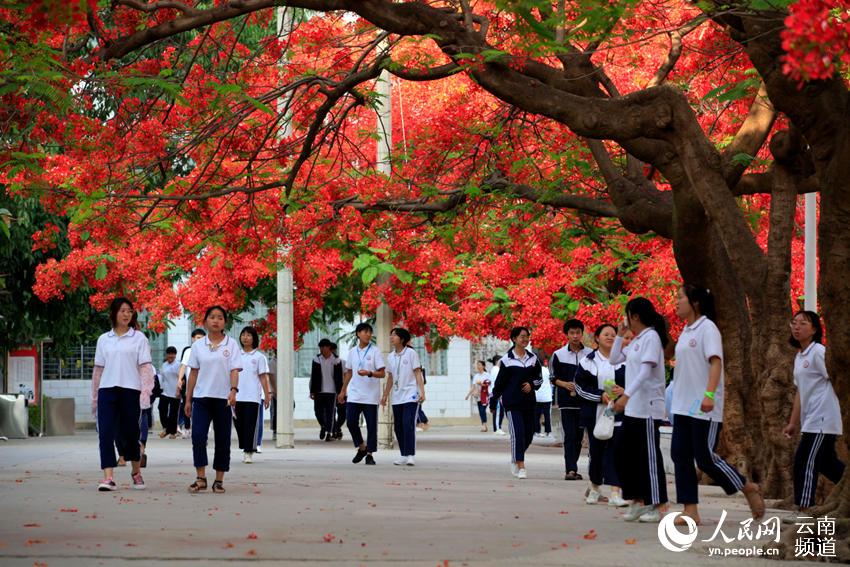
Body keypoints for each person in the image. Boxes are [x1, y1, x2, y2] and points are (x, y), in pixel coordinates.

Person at [671, 285, 764, 524]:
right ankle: (690, 510)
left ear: (696, 303)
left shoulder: (708, 328)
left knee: (704, 458)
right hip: (682, 406)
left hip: (703, 406)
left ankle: (746, 486)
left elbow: (715, 362)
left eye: (681, 297)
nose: (676, 301)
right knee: (680, 455)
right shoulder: (686, 331)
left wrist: (710, 394)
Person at [610, 298, 668, 522]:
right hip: (634, 409)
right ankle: (636, 500)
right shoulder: (636, 341)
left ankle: (658, 504)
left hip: (647, 408)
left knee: (649, 457)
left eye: (627, 316)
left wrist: (625, 396)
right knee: (623, 453)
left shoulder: (651, 338)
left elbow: (645, 373)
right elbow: (615, 359)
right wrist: (619, 334)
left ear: (634, 316)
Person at [784, 310, 844, 514]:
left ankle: (805, 507)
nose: (797, 327)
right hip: (810, 419)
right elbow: (801, 390)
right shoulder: (800, 356)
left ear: (815, 329)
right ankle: (846, 491)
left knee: (804, 460)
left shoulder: (818, 351)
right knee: (828, 464)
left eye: (803, 323)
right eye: (794, 322)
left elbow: (836, 377)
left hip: (823, 418)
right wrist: (793, 422)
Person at [91, 297, 154, 491]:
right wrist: (94, 397)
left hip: (130, 390)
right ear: (114, 313)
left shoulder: (139, 338)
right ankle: (108, 477)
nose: (126, 314)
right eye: (122, 310)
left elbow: (145, 368)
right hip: (107, 390)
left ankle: (136, 472)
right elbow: (98, 370)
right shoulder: (104, 339)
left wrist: (146, 392)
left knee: (130, 433)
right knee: (106, 433)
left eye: (129, 311)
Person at [185, 306, 242, 493]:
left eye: (219, 317)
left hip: (223, 399)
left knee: (223, 439)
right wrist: (188, 399)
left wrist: (233, 391)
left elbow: (234, 370)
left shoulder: (231, 344)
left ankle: (219, 480)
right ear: (205, 321)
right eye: (212, 317)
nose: (215, 320)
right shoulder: (197, 346)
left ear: (225, 322)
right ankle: (200, 477)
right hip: (201, 398)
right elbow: (193, 373)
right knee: (198, 436)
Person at [575, 324, 628, 507]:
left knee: (617, 451)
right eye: (606, 334)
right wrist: (600, 396)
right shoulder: (588, 361)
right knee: (596, 453)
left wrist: (624, 391)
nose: (610, 337)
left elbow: (636, 383)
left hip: (619, 412)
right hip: (595, 413)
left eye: (614, 334)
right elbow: (580, 387)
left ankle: (615, 491)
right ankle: (595, 487)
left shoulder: (625, 360)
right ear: (597, 338)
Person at [492, 327, 543, 479]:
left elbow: (539, 379)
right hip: (512, 403)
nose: (525, 339)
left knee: (528, 436)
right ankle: (521, 465)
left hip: (529, 403)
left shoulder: (533, 359)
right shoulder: (506, 360)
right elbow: (499, 384)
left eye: (527, 336)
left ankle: (516, 455)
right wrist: (493, 402)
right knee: (518, 434)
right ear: (514, 339)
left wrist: (531, 385)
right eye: (522, 337)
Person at [550, 319, 593, 480]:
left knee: (579, 437)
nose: (575, 336)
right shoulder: (558, 355)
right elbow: (553, 378)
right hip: (566, 403)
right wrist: (565, 384)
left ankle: (573, 467)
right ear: (567, 335)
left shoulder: (590, 354)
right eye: (572, 333)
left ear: (582, 334)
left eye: (578, 333)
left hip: (585, 402)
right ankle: (570, 469)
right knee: (570, 435)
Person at [339, 322, 385, 465]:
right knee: (351, 422)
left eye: (370, 332)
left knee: (371, 426)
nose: (368, 334)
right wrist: (342, 391)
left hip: (371, 395)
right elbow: (349, 372)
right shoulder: (352, 351)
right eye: (365, 332)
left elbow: (382, 373)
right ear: (358, 334)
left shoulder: (375, 351)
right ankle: (362, 447)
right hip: (354, 394)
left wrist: (369, 373)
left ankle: (370, 454)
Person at [381, 327, 425, 466]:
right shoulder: (390, 356)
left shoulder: (411, 353)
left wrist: (422, 391)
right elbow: (390, 377)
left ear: (402, 339)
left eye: (394, 335)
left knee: (408, 424)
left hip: (411, 394)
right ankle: (403, 454)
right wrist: (385, 395)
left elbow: (418, 373)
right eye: (391, 335)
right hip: (397, 396)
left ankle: (411, 455)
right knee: (398, 427)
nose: (391, 338)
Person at [235, 326, 270, 464]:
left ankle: (249, 451)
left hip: (253, 397)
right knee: (239, 425)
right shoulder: (236, 355)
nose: (245, 337)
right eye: (243, 334)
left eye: (249, 335)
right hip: (237, 396)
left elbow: (263, 377)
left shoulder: (259, 357)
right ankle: (245, 446)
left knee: (250, 425)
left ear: (254, 338)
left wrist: (267, 394)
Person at [310, 338, 344, 441]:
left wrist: (340, 392)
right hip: (319, 390)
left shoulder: (336, 360)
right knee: (317, 411)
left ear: (329, 347)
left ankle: (329, 432)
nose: (322, 349)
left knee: (330, 412)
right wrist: (312, 391)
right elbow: (314, 376)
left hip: (332, 391)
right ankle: (323, 426)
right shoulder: (316, 359)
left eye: (324, 347)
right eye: (320, 347)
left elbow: (339, 378)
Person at [177, 328, 206, 438]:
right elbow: (183, 366)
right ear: (193, 339)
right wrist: (179, 379)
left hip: (204, 386)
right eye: (198, 338)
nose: (200, 340)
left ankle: (201, 430)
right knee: (187, 406)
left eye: (202, 338)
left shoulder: (209, 349)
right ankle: (188, 428)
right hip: (191, 385)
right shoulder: (188, 351)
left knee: (201, 409)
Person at [158, 347, 181, 439]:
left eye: (173, 354)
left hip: (175, 392)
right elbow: (162, 377)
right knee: (161, 408)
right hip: (165, 392)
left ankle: (173, 432)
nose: (171, 356)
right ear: (166, 354)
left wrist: (179, 390)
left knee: (173, 413)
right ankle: (166, 428)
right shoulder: (164, 365)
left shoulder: (178, 365)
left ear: (175, 355)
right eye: (169, 354)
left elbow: (181, 378)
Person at [466, 360, 490, 432]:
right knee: (480, 411)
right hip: (478, 396)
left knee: (482, 410)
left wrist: (481, 384)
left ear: (483, 366)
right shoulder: (476, 376)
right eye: (477, 365)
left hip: (485, 396)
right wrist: (468, 395)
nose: (478, 366)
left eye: (480, 365)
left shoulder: (487, 375)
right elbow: (473, 387)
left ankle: (484, 425)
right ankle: (484, 425)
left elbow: (489, 385)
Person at [331, 342, 346, 440]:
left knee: (343, 413)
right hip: (329, 391)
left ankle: (337, 428)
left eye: (333, 350)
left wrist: (344, 390)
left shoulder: (342, 362)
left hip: (341, 391)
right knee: (330, 412)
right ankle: (335, 429)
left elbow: (346, 376)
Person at [534, 362, 553, 438]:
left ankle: (536, 431)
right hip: (546, 397)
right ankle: (548, 432)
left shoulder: (535, 370)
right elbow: (552, 380)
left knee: (536, 415)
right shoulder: (547, 370)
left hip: (537, 396)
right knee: (547, 415)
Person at [489, 356, 506, 435]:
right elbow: (498, 382)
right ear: (497, 361)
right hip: (497, 393)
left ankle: (497, 427)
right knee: (499, 411)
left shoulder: (495, 369)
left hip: (496, 392)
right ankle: (497, 428)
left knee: (499, 411)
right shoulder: (496, 369)